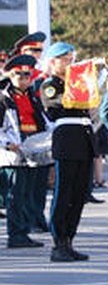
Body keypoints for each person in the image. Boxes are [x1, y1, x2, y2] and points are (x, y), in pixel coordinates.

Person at [40, 42, 95, 261]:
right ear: (53, 61)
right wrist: (77, 88)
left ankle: (70, 239)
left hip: (84, 139)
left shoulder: (78, 83)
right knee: (63, 193)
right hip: (67, 140)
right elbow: (54, 108)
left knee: (79, 194)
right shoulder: (50, 84)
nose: (70, 62)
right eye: (65, 58)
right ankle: (59, 242)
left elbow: (89, 105)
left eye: (71, 58)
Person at [2, 54, 50, 248]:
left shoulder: (32, 96)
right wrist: (6, 143)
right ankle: (16, 234)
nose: (24, 79)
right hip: (13, 151)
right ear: (11, 76)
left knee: (29, 193)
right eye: (19, 75)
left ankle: (25, 229)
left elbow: (44, 121)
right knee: (15, 195)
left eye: (27, 76)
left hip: (32, 148)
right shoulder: (3, 98)